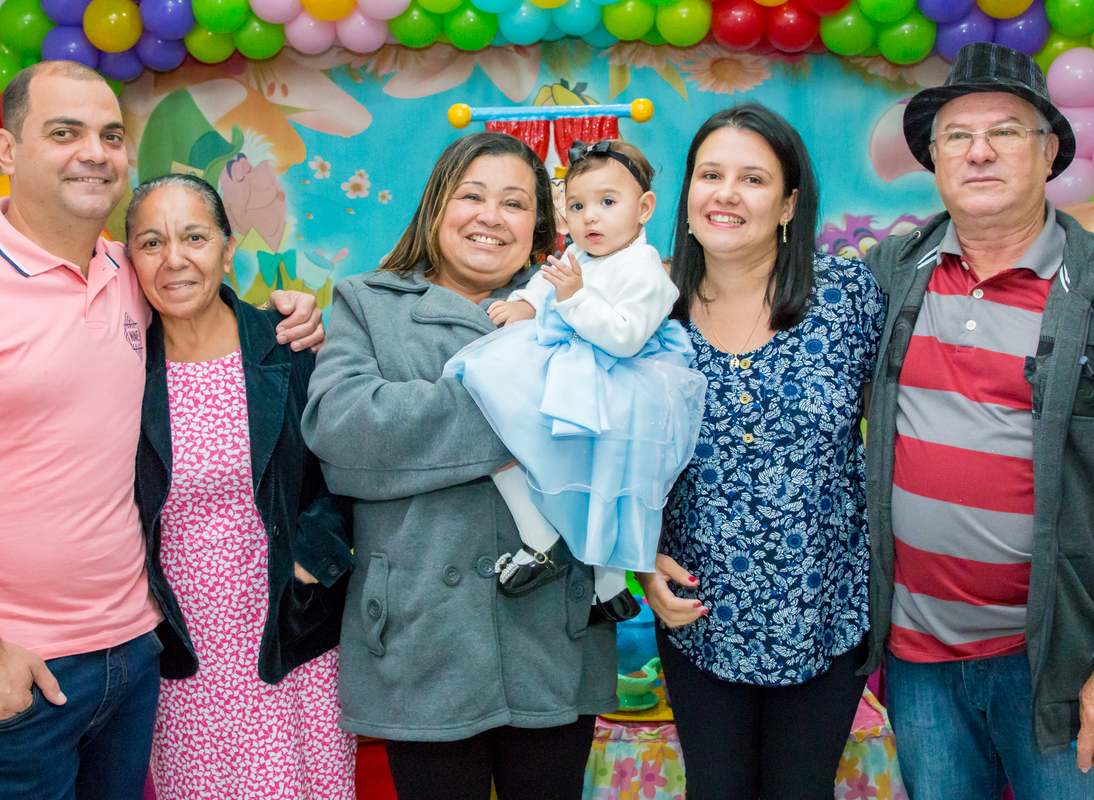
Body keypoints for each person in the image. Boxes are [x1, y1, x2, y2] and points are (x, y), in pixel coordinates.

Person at [0, 60, 322, 799]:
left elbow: (196, 277)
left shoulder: (130, 272)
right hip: (16, 670)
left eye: (110, 135)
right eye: (64, 132)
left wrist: (287, 315)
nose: (94, 151)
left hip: (136, 657)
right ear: (3, 150)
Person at [301, 131, 618, 800]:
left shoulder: (580, 312)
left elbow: (621, 433)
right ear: (436, 205)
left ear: (539, 225)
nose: (490, 216)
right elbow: (344, 433)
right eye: (471, 195)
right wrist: (525, 417)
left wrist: (433, 425)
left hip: (552, 631)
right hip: (421, 633)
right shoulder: (368, 303)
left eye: (514, 202)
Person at [862, 42, 1094, 798]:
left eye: (1006, 131)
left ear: (1049, 150)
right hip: (919, 664)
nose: (981, 151)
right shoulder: (891, 273)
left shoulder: (1090, 288)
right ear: (934, 158)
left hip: (1055, 669)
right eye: (957, 136)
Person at [638, 103, 885, 798]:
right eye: (710, 174)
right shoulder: (649, 314)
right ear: (686, 194)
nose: (726, 193)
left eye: (752, 178)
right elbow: (615, 458)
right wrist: (640, 557)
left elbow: (901, 425)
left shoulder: (847, 297)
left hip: (827, 613)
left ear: (788, 204)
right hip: (699, 617)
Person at [128, 174, 356, 799]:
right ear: (131, 260)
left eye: (195, 237)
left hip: (289, 630)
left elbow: (347, 472)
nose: (174, 258)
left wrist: (314, 561)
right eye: (151, 242)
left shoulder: (288, 346)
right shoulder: (119, 366)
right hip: (181, 645)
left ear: (228, 250)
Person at [443, 139, 706, 622]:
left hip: (621, 381)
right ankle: (545, 539)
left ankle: (607, 582)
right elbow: (545, 284)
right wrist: (526, 304)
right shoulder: (579, 255)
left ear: (644, 207)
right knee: (499, 420)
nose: (591, 219)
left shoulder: (646, 270)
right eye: (579, 206)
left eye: (608, 203)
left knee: (607, 481)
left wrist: (574, 300)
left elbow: (625, 337)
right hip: (577, 368)